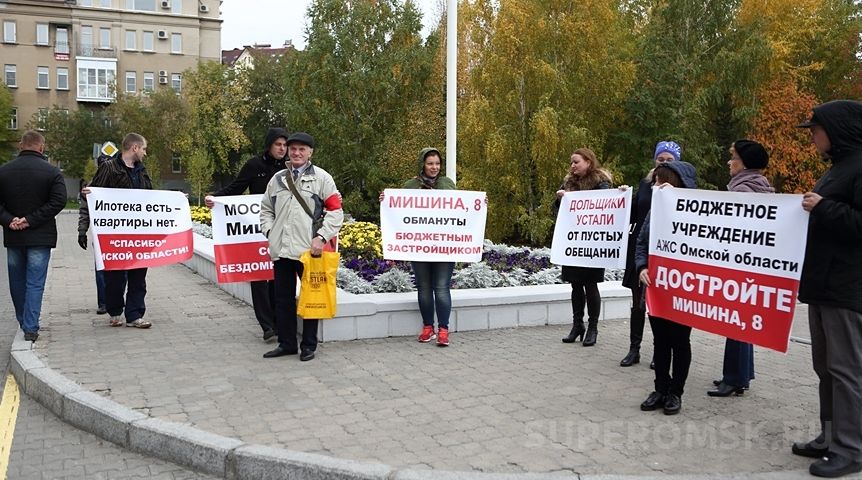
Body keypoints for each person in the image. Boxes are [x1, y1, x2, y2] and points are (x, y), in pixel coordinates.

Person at [792, 100, 862, 478]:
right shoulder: (839, 168)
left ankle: (851, 449)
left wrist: (821, 208)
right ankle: (830, 437)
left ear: (836, 130)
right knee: (826, 368)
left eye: (815, 130)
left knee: (846, 370)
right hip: (823, 285)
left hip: (847, 288)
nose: (813, 137)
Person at [260, 132, 343, 361]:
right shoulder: (277, 178)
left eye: (302, 149)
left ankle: (309, 345)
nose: (296, 153)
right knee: (282, 299)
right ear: (287, 150)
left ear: (310, 153)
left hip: (309, 250)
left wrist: (322, 237)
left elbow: (336, 211)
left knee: (311, 299)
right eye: (293, 148)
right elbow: (266, 209)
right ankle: (287, 343)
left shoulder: (322, 178)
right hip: (283, 250)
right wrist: (270, 232)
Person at [205, 127, 289, 342]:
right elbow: (236, 188)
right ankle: (267, 326)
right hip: (255, 229)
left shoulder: (291, 168)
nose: (282, 148)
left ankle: (280, 323)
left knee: (277, 276)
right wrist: (214, 198)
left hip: (283, 230)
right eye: (278, 144)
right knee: (259, 276)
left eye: (285, 145)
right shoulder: (254, 165)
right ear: (269, 145)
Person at [708, 139, 774, 397]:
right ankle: (739, 375)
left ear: (744, 162)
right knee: (739, 322)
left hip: (741, 266)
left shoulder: (744, 192)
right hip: (750, 266)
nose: (729, 161)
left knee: (737, 322)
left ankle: (734, 378)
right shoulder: (758, 186)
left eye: (733, 156)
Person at [635, 160, 697, 415]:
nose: (657, 186)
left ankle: (676, 392)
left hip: (684, 290)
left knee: (680, 342)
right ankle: (660, 388)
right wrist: (642, 267)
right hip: (657, 288)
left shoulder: (698, 212)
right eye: (656, 181)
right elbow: (641, 242)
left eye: (663, 181)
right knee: (660, 341)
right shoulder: (655, 211)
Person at [78, 133, 154, 329]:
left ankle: (135, 315)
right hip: (114, 235)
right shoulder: (109, 167)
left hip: (139, 234)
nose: (145, 153)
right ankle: (115, 311)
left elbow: (151, 199)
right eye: (143, 149)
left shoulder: (142, 171)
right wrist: (87, 196)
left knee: (138, 276)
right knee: (114, 277)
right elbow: (93, 196)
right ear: (135, 148)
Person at [0, 131, 67, 342]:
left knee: (17, 281)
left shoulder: (4, 171)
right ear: (42, 147)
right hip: (40, 236)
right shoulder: (52, 171)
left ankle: (24, 321)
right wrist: (30, 220)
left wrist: (9, 219)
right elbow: (59, 201)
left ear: (21, 145)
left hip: (13, 235)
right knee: (35, 283)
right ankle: (30, 327)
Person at [620, 140, 680, 368]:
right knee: (637, 302)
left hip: (665, 251)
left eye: (669, 160)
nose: (664, 163)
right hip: (641, 249)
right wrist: (623, 199)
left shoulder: (681, 187)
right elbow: (632, 215)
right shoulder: (646, 184)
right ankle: (634, 349)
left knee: (660, 304)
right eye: (660, 159)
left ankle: (659, 352)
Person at [556, 148, 612, 347]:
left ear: (588, 162)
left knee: (590, 285)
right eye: (571, 162)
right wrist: (562, 198)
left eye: (576, 162)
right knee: (575, 284)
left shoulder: (601, 184)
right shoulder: (569, 183)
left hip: (592, 244)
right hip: (574, 242)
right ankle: (577, 325)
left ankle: (593, 327)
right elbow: (558, 212)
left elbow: (606, 208)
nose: (572, 166)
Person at [401, 148, 457, 346]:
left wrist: (480, 204)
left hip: (444, 247)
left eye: (437, 164)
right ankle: (427, 327)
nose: (434, 167)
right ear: (422, 165)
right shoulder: (410, 186)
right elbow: (397, 210)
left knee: (441, 288)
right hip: (420, 247)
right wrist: (386, 200)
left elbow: (463, 211)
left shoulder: (447, 185)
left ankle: (443, 330)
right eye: (430, 163)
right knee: (424, 288)